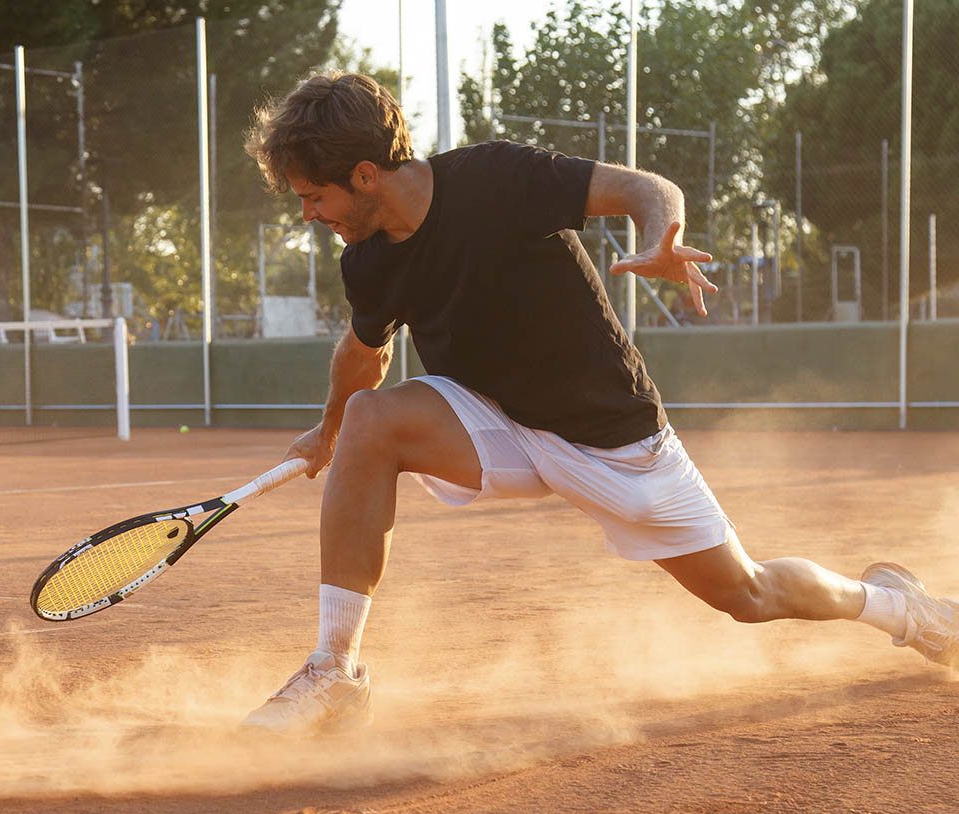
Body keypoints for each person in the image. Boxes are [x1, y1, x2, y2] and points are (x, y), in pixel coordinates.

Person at [239, 73, 958, 735]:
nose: (308, 214)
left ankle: (900, 607)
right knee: (370, 419)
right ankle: (334, 672)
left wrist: (661, 237)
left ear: (365, 174)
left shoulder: (495, 178)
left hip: (613, 438)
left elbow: (645, 187)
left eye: (315, 196)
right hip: (496, 421)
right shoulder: (368, 258)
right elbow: (365, 352)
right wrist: (330, 431)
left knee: (749, 594)